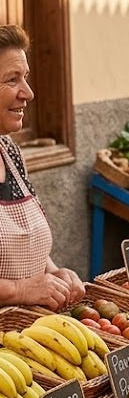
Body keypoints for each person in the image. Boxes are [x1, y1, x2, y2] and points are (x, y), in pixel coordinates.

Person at [0, 25, 84, 310]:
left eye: (26, 78)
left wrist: (54, 273)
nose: (29, 93)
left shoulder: (9, 152)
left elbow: (26, 248)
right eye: (13, 79)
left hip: (26, 337)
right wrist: (20, 290)